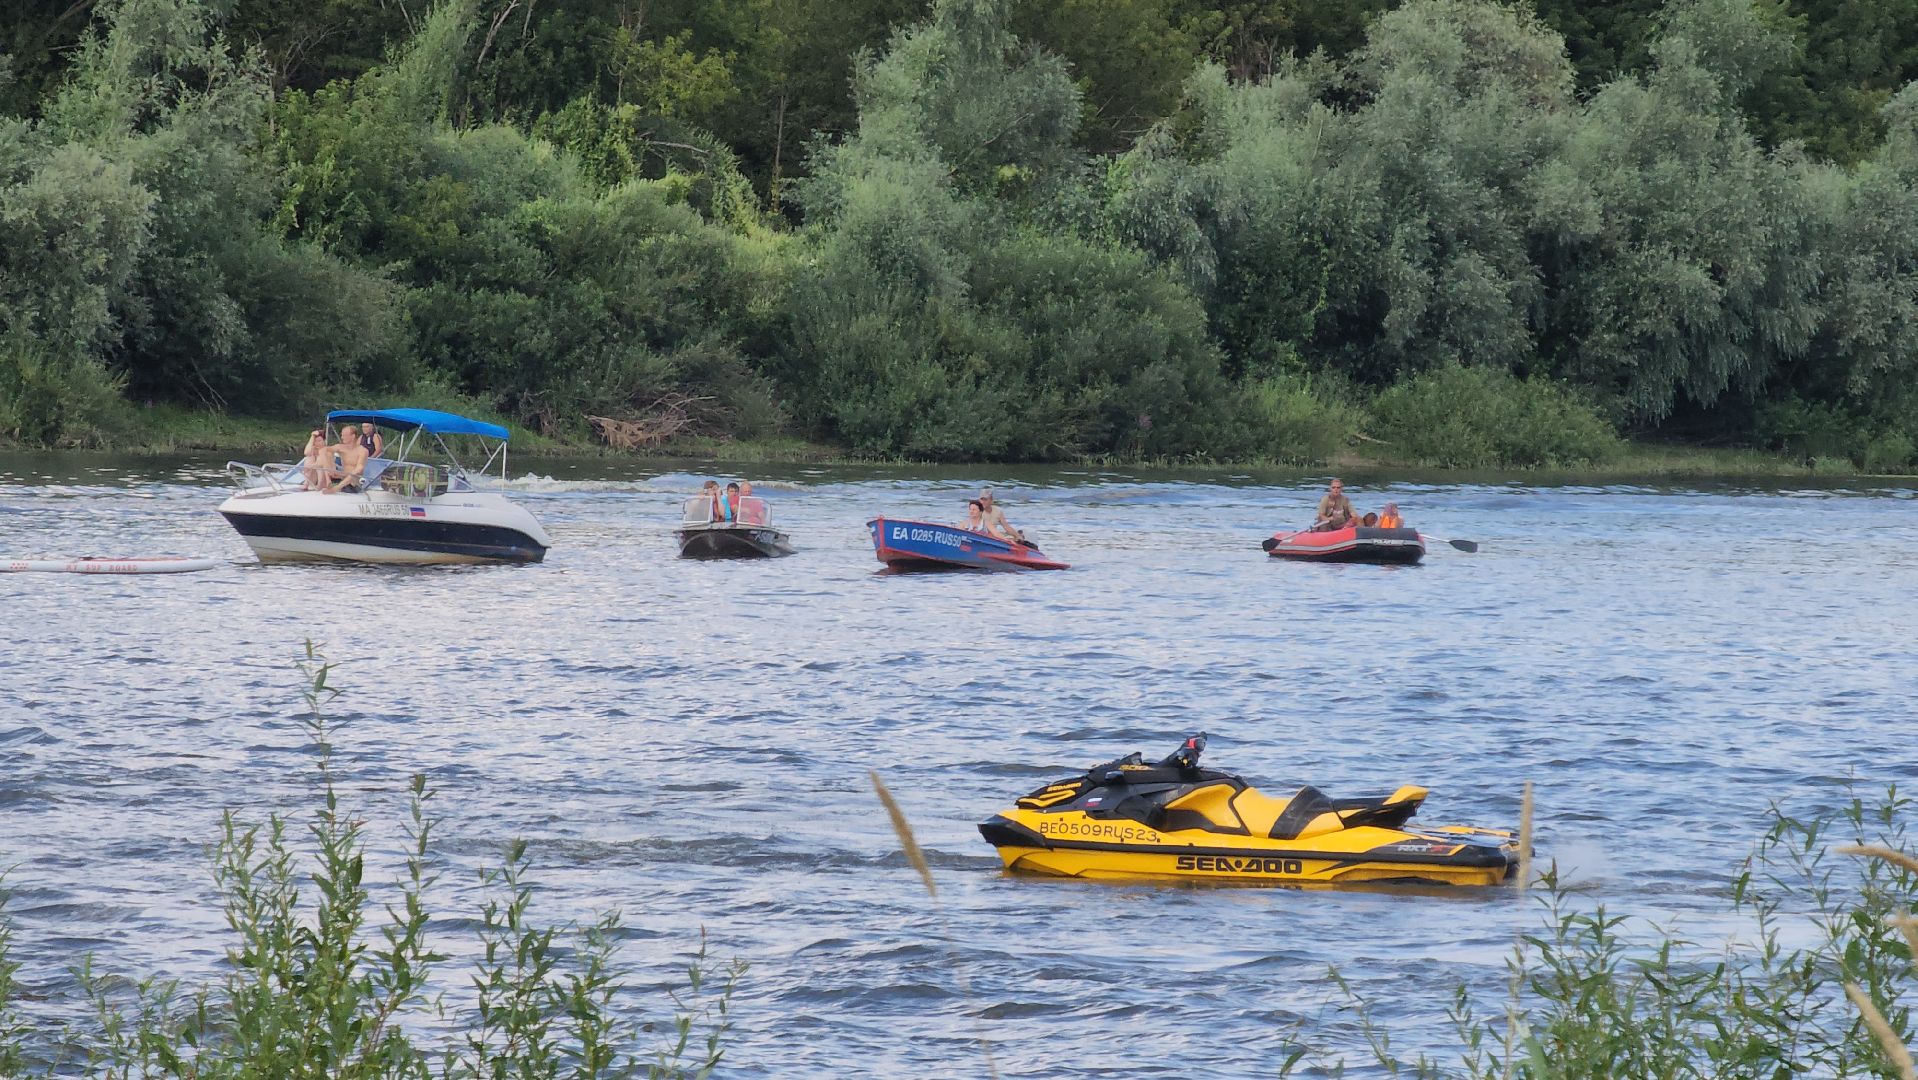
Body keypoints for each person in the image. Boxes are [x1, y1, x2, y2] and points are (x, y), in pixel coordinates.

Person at [328, 425, 370, 493]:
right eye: (341, 435)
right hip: (342, 480)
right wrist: (331, 465)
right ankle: (324, 483)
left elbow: (359, 468)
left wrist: (338, 487)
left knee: (358, 470)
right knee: (321, 457)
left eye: (344, 435)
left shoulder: (362, 451)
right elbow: (323, 451)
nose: (342, 437)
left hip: (354, 484)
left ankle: (338, 487)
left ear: (353, 436)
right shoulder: (340, 447)